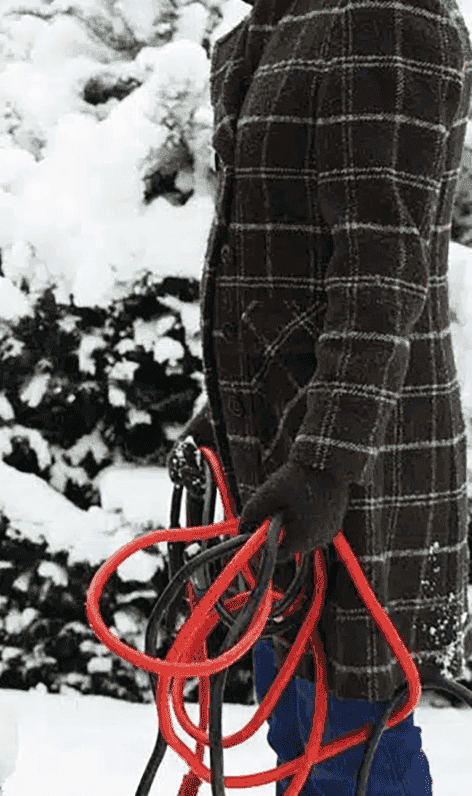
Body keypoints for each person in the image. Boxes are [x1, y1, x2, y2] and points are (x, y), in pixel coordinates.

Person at [184, 0, 472, 793]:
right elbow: (276, 271)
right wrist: (228, 418)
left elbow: (381, 272)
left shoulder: (385, 15)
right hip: (282, 461)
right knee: (295, 726)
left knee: (346, 750)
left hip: (358, 472)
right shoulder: (267, 30)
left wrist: (324, 464)